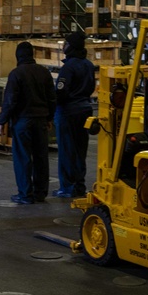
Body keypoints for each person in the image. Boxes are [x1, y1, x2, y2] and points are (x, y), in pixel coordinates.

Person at [0, 41, 57, 205]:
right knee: (41, 157)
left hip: (23, 122)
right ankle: (40, 193)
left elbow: (10, 100)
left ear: (18, 56)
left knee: (23, 157)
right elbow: (52, 98)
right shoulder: (44, 72)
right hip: (41, 121)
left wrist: (2, 121)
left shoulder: (16, 74)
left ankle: (25, 194)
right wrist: (49, 118)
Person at [53, 32, 95, 198]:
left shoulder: (68, 67)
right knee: (80, 150)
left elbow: (61, 92)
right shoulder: (89, 65)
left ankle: (68, 186)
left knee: (67, 150)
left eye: (65, 43)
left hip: (68, 111)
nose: (63, 46)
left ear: (71, 46)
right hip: (85, 109)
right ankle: (79, 184)